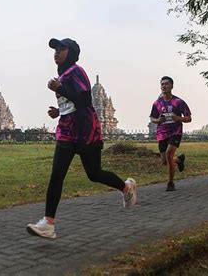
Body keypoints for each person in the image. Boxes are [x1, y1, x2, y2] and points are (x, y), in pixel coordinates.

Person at [27, 38, 137, 239]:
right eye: (55, 49)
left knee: (94, 173)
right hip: (67, 131)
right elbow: (72, 104)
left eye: (62, 49)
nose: (56, 52)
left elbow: (85, 100)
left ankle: (126, 187)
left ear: (72, 53)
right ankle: (48, 223)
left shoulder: (76, 71)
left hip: (86, 132)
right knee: (57, 175)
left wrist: (58, 88)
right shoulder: (63, 75)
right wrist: (58, 111)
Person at [150, 76, 192, 191]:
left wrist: (177, 118)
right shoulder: (157, 103)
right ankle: (178, 160)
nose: (164, 86)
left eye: (167, 84)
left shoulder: (178, 102)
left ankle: (170, 183)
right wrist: (158, 120)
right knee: (165, 161)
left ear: (172, 86)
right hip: (162, 133)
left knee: (169, 155)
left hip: (175, 132)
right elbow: (152, 118)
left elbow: (188, 118)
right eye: (162, 84)